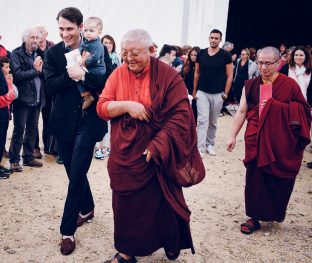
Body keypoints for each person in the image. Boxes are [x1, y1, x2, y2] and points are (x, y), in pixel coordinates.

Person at [97, 29, 205, 263]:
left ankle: (168, 240)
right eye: (125, 53)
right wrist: (127, 106)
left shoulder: (168, 76)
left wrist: (159, 144)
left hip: (157, 153)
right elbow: (102, 107)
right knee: (123, 204)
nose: (129, 58)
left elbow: (181, 116)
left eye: (135, 53)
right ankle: (126, 252)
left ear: (151, 50)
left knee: (161, 202)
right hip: (125, 152)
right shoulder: (118, 74)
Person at [226, 46, 311, 235]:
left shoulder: (289, 85)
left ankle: (274, 212)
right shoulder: (250, 85)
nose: (263, 67)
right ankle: (254, 217)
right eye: (260, 63)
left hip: (282, 141)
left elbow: (303, 111)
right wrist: (232, 135)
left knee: (279, 177)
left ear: (278, 62)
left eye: (268, 63)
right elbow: (242, 110)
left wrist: (276, 107)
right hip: (256, 138)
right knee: (255, 177)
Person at [43, 7, 107, 255]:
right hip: (63, 123)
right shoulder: (53, 53)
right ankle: (88, 207)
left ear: (81, 27)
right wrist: (72, 75)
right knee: (74, 172)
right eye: (61, 28)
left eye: (69, 28)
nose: (65, 33)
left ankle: (67, 231)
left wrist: (86, 75)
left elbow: (105, 82)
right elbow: (48, 87)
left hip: (88, 122)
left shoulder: (96, 48)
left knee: (77, 173)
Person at [9, 28, 45, 172]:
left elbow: (45, 72)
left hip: (36, 99)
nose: (35, 40)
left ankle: (28, 157)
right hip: (23, 99)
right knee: (19, 130)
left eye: (37, 37)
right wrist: (35, 70)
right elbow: (17, 75)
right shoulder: (16, 54)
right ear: (25, 39)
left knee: (32, 129)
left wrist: (42, 70)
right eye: (32, 37)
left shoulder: (40, 54)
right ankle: (14, 160)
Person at [193, 29, 233, 157]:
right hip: (202, 92)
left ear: (220, 40)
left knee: (213, 121)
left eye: (216, 38)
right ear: (209, 38)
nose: (213, 40)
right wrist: (194, 91)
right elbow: (197, 72)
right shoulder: (201, 53)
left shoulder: (225, 55)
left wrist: (225, 93)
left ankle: (210, 144)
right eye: (212, 37)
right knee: (202, 120)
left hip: (218, 93)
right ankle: (201, 147)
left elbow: (230, 75)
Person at [33, 26, 55, 159]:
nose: (39, 37)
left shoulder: (52, 47)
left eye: (41, 34)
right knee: (33, 120)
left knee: (48, 118)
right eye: (37, 35)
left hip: (48, 89)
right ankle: (35, 147)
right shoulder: (33, 48)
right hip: (36, 89)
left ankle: (47, 145)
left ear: (46, 34)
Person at [79, 16, 106, 110]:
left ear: (99, 32)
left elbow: (95, 58)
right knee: (77, 76)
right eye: (86, 30)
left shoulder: (97, 45)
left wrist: (84, 62)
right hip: (91, 67)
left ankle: (88, 97)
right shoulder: (86, 42)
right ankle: (95, 93)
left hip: (97, 69)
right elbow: (81, 49)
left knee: (80, 78)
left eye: (91, 31)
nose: (88, 33)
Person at [0, 60, 16, 179]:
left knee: (2, 141)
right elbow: (9, 97)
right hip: (2, 112)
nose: (9, 69)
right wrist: (10, 83)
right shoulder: (5, 80)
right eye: (6, 67)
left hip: (5, 114)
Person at [183, 46, 200, 121]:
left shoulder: (201, 66)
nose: (193, 57)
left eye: (195, 55)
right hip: (188, 91)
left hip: (197, 92)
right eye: (191, 55)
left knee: (195, 112)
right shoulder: (188, 65)